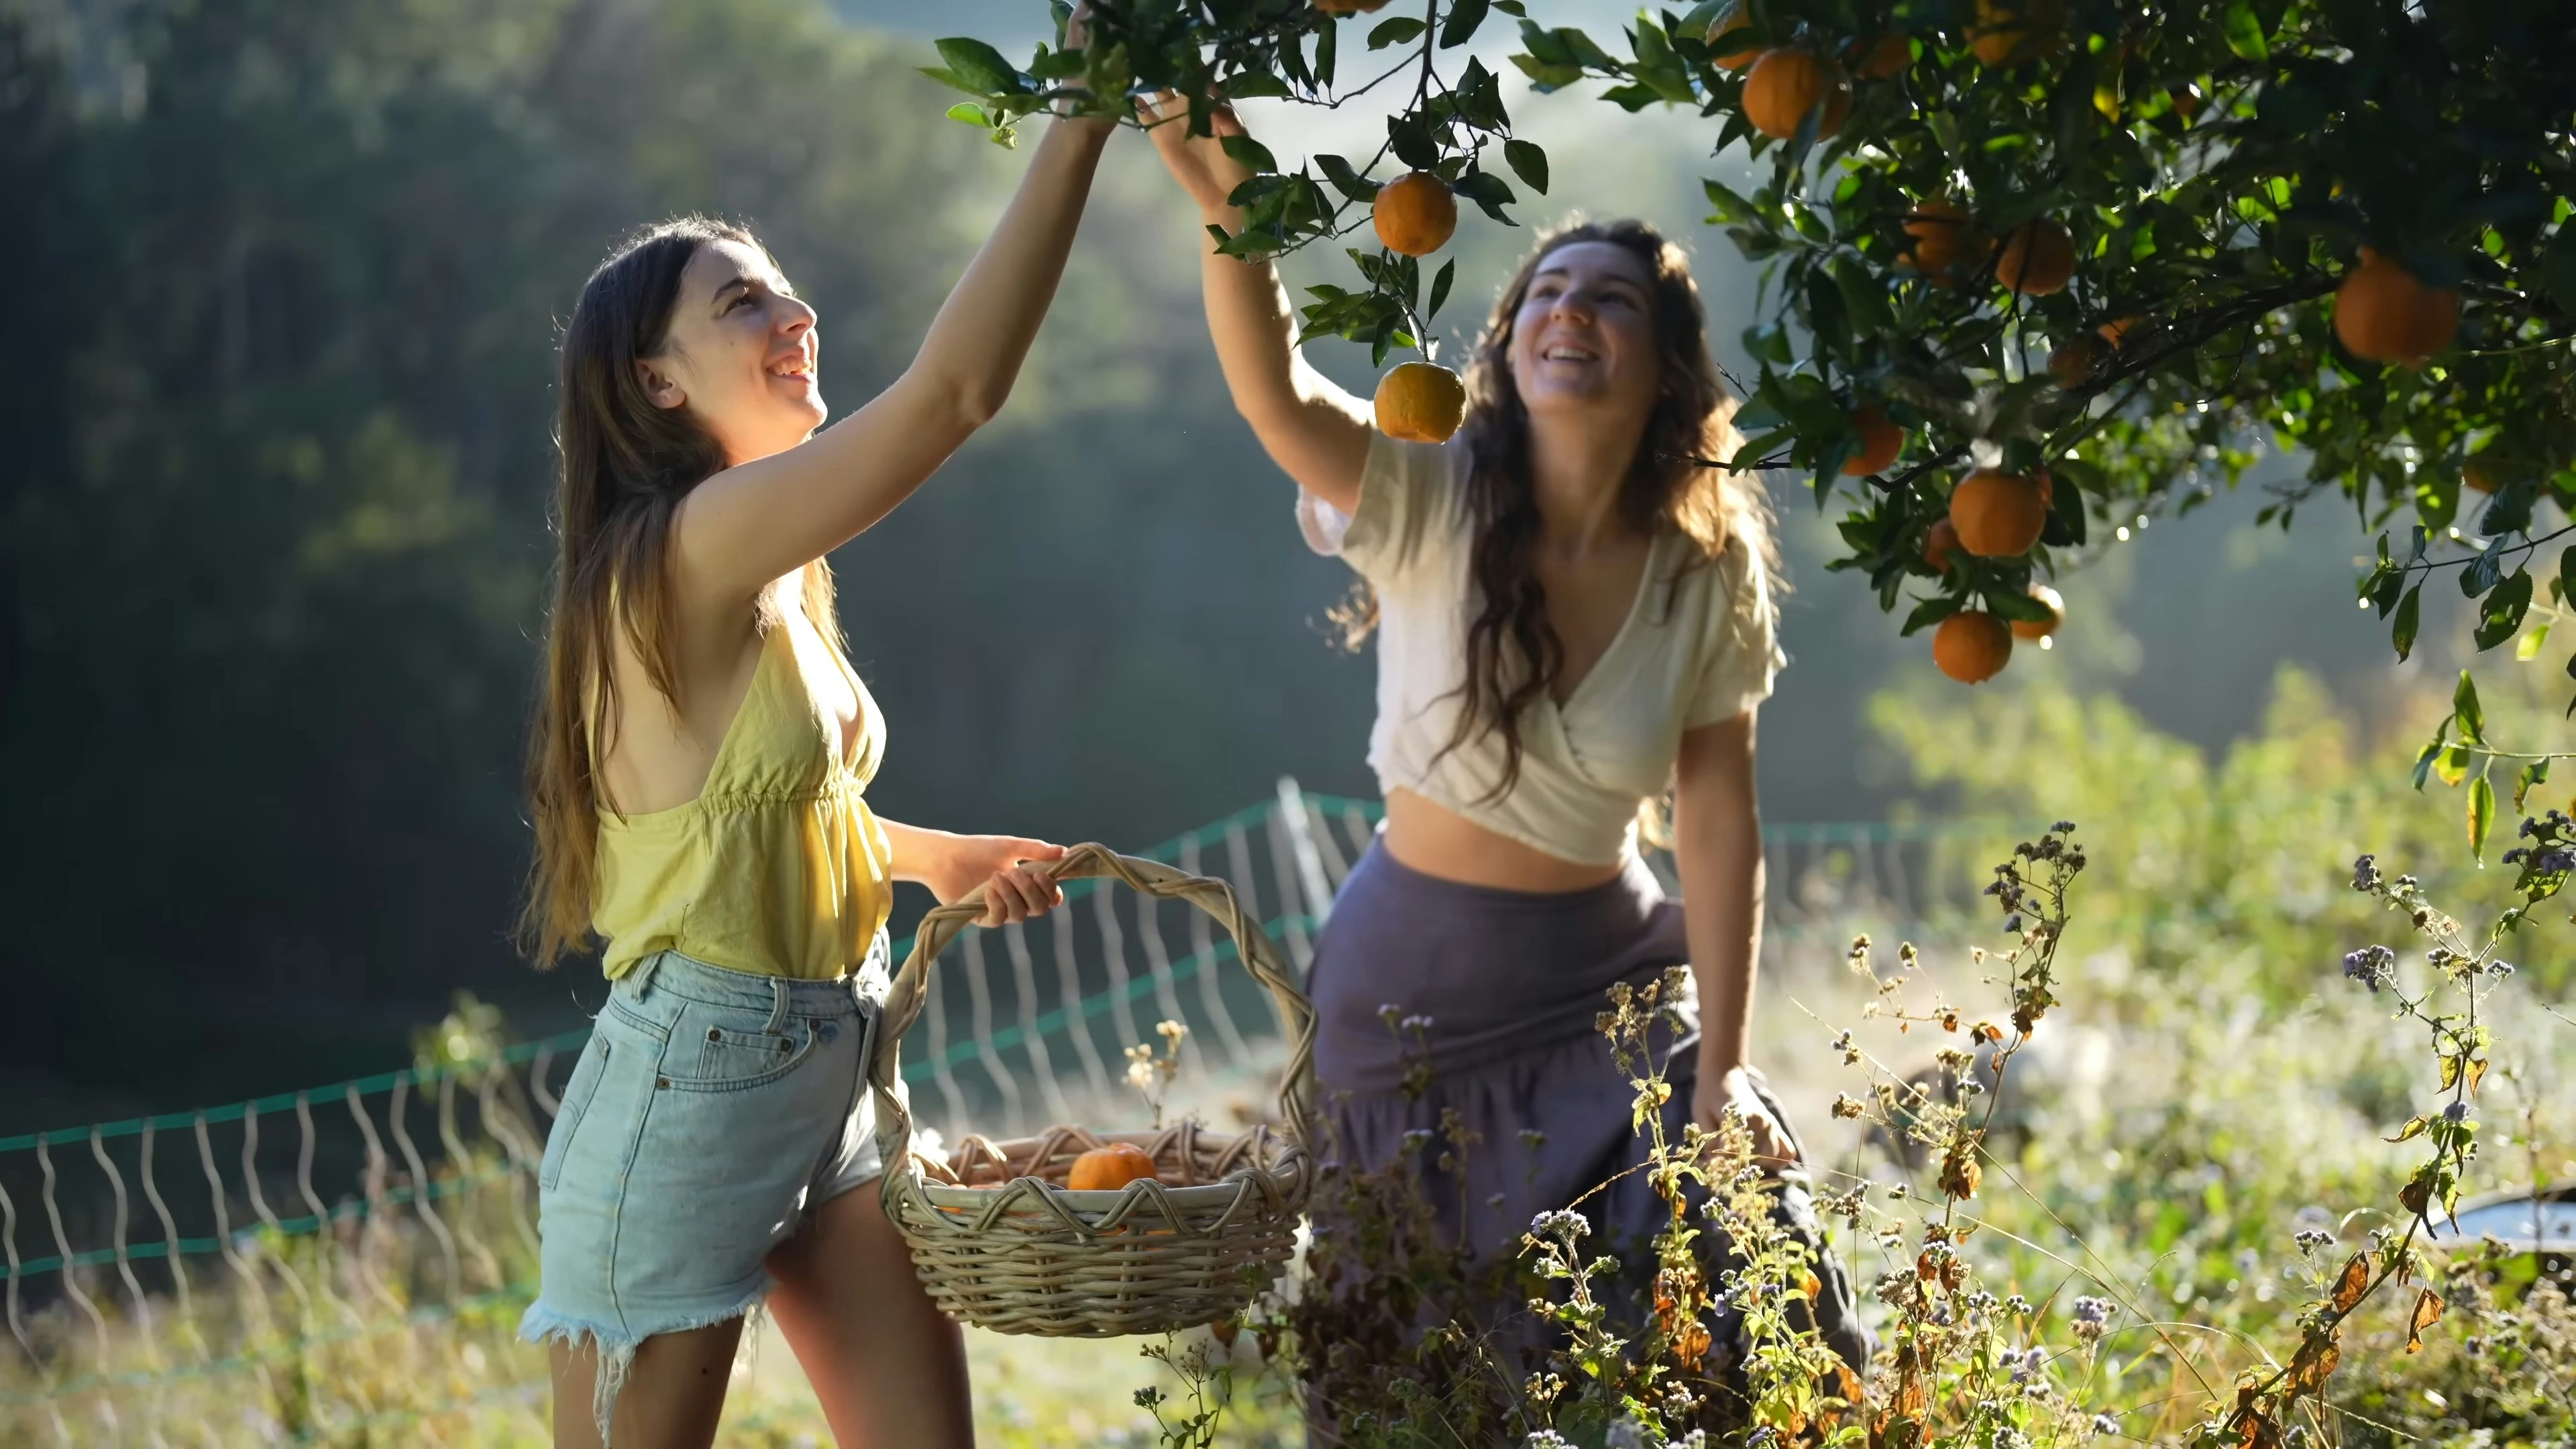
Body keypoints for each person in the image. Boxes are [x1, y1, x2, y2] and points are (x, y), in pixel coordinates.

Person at [1144, 101, 1871, 1398]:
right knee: (1425, 1369)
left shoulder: (1709, 565)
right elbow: (1275, 392)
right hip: (1412, 1000)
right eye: (1546, 292)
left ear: (1668, 370)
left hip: (1619, 993)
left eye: (1611, 300)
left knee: (1752, 1298)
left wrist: (1727, 1068)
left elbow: (1718, 824)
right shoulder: (1434, 489)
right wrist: (1231, 211)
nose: (1568, 312)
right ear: (1511, 340)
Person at [513, 89, 1117, 1449]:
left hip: (827, 1070)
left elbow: (767, 812)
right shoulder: (691, 547)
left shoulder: (772, 574)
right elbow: (954, 397)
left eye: (787, 293)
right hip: (691, 1088)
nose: (796, 317)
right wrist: (1077, 123)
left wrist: (933, 857)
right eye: (742, 306)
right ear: (657, 383)